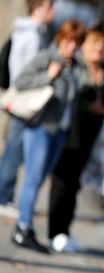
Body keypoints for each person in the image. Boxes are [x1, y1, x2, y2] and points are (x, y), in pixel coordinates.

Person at [11, 20, 85, 253]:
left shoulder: (75, 65)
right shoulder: (47, 57)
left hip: (61, 131)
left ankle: (26, 226)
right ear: (60, 39)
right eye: (68, 41)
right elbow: (21, 82)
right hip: (41, 127)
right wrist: (48, 76)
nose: (71, 46)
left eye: (76, 42)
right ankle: (22, 228)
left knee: (40, 179)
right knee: (32, 178)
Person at [48, 25, 104, 253]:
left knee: (75, 184)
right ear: (83, 45)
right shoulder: (77, 68)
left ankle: (65, 232)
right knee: (62, 183)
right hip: (70, 136)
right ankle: (54, 233)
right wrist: (91, 107)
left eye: (103, 44)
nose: (99, 48)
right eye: (95, 42)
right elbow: (71, 99)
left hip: (91, 139)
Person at [0, 0, 55, 217]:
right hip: (25, 103)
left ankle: (3, 194)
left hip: (20, 100)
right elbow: (27, 75)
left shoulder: (29, 31)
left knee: (13, 148)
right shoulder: (32, 35)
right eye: (50, 5)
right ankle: (4, 197)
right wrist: (48, 75)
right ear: (38, 8)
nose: (54, 10)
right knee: (15, 150)